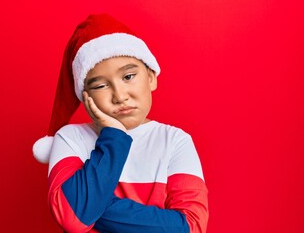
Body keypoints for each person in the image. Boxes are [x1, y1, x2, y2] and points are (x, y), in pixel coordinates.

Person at [33, 13, 209, 233]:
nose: (119, 95)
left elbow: (191, 227)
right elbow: (71, 219)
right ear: (84, 95)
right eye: (100, 86)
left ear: (151, 77)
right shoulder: (69, 138)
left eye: (128, 77)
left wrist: (95, 207)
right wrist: (114, 136)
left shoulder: (175, 141)